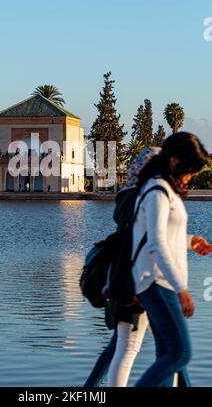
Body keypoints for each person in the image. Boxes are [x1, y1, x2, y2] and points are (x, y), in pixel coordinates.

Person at [85, 140, 211, 387]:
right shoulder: (148, 195)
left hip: (133, 280)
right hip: (141, 282)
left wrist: (188, 241)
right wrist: (179, 288)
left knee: (160, 349)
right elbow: (152, 240)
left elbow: (154, 236)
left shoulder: (133, 198)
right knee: (161, 350)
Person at [132, 132, 211, 387]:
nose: (191, 177)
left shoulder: (166, 190)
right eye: (190, 171)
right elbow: (156, 243)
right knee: (181, 353)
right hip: (158, 282)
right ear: (175, 162)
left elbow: (165, 235)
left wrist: (189, 241)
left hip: (161, 283)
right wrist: (182, 289)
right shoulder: (157, 190)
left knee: (168, 355)